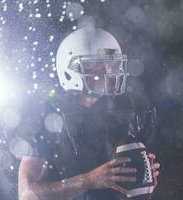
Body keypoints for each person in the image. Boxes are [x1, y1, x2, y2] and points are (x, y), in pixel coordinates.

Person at [18, 26, 160, 200]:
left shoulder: (131, 109)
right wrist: (89, 180)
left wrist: (141, 178)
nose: (108, 72)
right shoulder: (48, 115)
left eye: (112, 64)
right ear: (70, 70)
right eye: (98, 66)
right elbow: (27, 194)